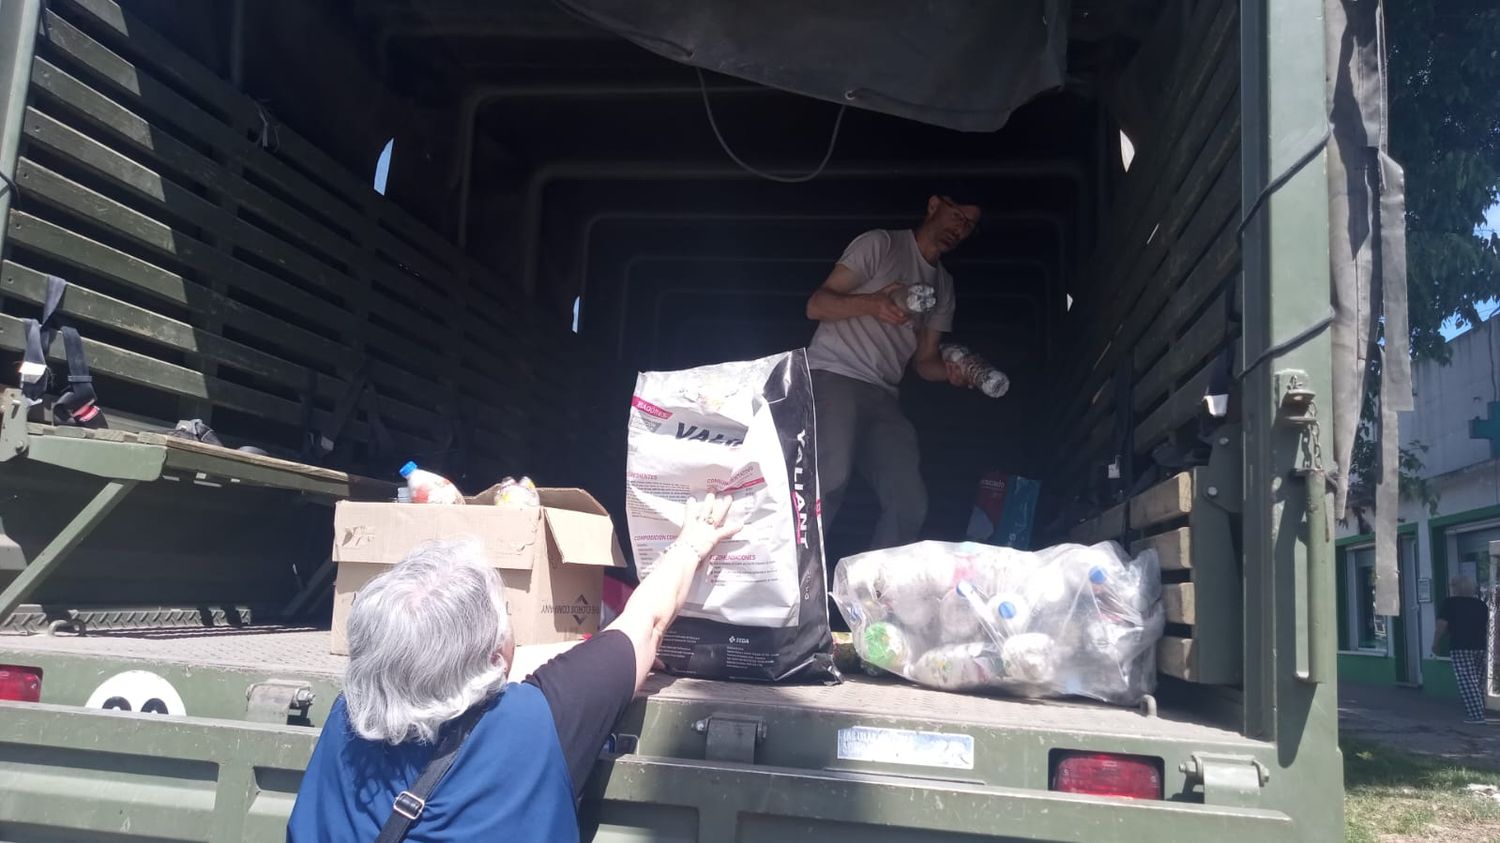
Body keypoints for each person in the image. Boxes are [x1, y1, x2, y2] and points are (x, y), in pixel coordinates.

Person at [287, 494, 740, 841]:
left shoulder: (347, 717)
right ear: (494, 657)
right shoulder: (534, 721)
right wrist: (693, 542)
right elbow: (648, 622)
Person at [805, 194, 983, 550]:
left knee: (909, 502)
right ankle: (792, 588)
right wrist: (874, 303)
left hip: (883, 395)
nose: (960, 227)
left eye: (969, 224)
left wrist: (953, 373)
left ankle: (875, 600)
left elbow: (924, 361)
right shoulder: (882, 245)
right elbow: (816, 305)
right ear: (934, 205)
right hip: (832, 375)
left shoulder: (943, 286)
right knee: (827, 481)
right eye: (956, 214)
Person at [1432, 575, 1491, 725]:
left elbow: (1441, 626)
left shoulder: (1450, 604)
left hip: (1460, 646)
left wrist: (1436, 642)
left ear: (1456, 588)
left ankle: (1476, 715)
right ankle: (1481, 709)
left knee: (1467, 680)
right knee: (1479, 680)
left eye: (1452, 585)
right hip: (1481, 646)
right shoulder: (1481, 605)